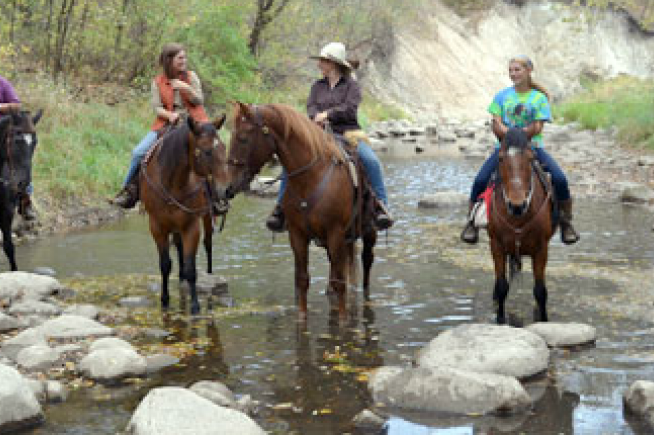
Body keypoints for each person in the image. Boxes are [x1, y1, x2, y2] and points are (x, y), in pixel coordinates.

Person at [266, 42, 393, 232]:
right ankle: (280, 209)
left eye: (323, 61)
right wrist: (315, 117)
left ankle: (381, 206)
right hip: (319, 134)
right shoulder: (317, 86)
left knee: (371, 160)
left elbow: (350, 109)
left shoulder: (352, 86)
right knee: (291, 162)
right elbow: (311, 107)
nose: (319, 65)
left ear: (333, 64)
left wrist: (328, 115)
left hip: (348, 133)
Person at [460, 55, 580, 245]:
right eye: (511, 70)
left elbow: (537, 127)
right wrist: (510, 134)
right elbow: (496, 124)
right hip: (505, 149)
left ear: (528, 71)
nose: (513, 74)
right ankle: (471, 222)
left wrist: (519, 134)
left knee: (560, 178)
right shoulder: (501, 96)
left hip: (533, 148)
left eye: (517, 70)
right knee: (480, 179)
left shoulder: (539, 98)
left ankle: (566, 222)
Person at [111, 43, 208, 208]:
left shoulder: (192, 77)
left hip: (194, 124)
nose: (184, 61)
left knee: (211, 152)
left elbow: (199, 100)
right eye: (180, 58)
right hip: (167, 124)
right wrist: (170, 115)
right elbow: (156, 107)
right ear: (169, 60)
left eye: (184, 57)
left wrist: (186, 88)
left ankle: (218, 196)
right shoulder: (157, 82)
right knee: (138, 152)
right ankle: (128, 191)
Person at [0, 74, 36, 220]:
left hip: (2, 130)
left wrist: (1, 107)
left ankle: (25, 199)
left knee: (22, 157)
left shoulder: (2, 83)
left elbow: (16, 105)